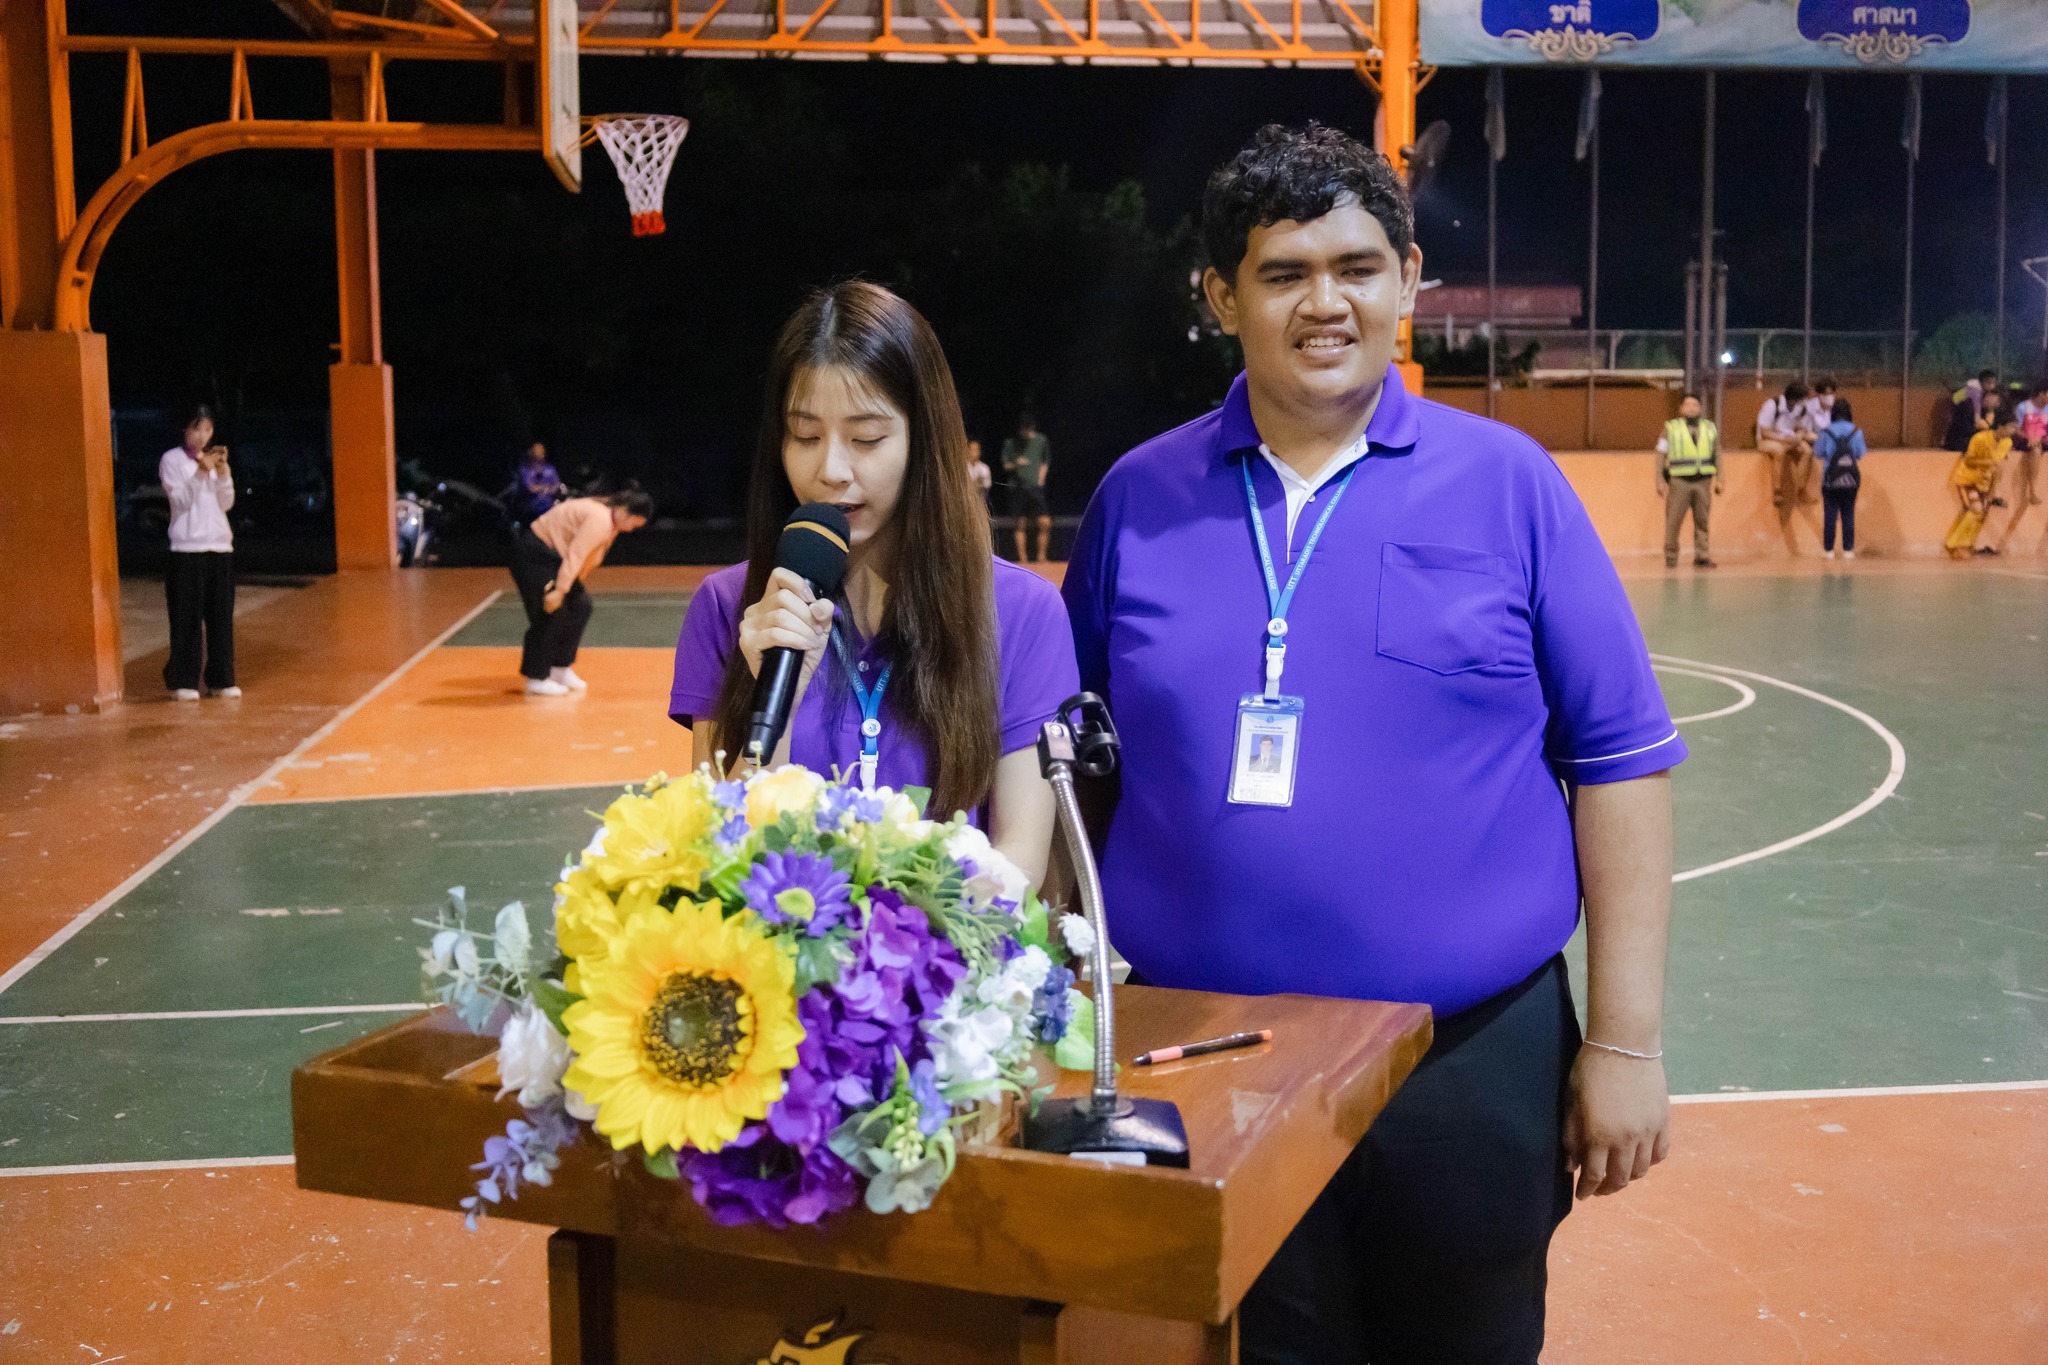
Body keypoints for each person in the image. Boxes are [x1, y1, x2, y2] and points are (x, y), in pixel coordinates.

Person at [1063, 123, 1681, 1365]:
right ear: (1218, 296)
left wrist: (1622, 1044)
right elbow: (1065, 773)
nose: (1323, 302)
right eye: (1282, 272)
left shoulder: (1507, 485)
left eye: (1354, 266)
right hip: (1202, 1056)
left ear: (1407, 278)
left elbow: (1617, 765)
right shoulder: (1138, 497)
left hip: (1465, 1060)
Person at [668, 280, 1079, 883]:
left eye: (866, 439)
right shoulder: (730, 609)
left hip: (953, 968)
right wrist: (771, 707)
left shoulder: (1021, 612)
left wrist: (895, 949)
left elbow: (1020, 862)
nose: (830, 470)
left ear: (924, 442)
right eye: (805, 436)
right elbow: (718, 868)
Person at [508, 488, 652, 695]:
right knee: (551, 611)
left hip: (553, 558)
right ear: (623, 511)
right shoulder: (600, 520)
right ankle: (536, 677)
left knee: (580, 606)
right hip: (533, 555)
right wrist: (559, 590)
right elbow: (576, 554)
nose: (630, 529)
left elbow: (586, 560)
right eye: (633, 523)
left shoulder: (610, 521)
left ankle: (559, 668)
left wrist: (568, 587)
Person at [159, 405, 240, 701]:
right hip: (186, 549)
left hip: (219, 546)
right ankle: (183, 680)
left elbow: (226, 502)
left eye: (208, 429)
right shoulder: (172, 460)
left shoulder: (211, 460)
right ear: (185, 429)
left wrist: (223, 474)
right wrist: (199, 472)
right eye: (197, 429)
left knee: (221, 618)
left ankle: (221, 678)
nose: (203, 436)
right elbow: (179, 501)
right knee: (186, 618)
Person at [1655, 393, 1721, 570]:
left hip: (1703, 482)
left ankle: (1702, 556)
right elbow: (1660, 454)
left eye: (1695, 405)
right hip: (1679, 482)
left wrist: (1720, 479)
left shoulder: (1710, 428)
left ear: (1700, 408)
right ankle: (1671, 558)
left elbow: (1717, 455)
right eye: (1688, 405)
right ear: (1681, 409)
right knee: (1673, 522)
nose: (1691, 408)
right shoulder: (1671, 428)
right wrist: (1659, 479)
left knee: (1702, 521)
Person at [1946, 402, 2016, 559]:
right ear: (2000, 426)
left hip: (1985, 482)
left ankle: (1966, 545)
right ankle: (1954, 544)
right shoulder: (1980, 438)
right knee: (1975, 509)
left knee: (1981, 514)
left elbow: (1998, 468)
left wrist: (1993, 491)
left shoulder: (2007, 443)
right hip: (1968, 478)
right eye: (2011, 427)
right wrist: (1987, 463)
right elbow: (1969, 460)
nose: (2013, 431)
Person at [1994, 379, 2046, 555]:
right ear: (2042, 393)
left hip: (2041, 440)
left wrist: (2041, 438)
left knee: (2038, 446)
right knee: (2035, 451)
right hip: (2025, 440)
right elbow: (2015, 428)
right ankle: (2031, 490)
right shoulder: (2024, 407)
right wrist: (2029, 437)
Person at [1815, 397, 1866, 560]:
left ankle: (1828, 550)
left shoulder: (1825, 432)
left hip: (1830, 479)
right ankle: (1848, 550)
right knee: (1848, 513)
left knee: (1830, 514)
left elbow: (1818, 453)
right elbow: (1860, 454)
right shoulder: (1857, 431)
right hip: (1851, 479)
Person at [1001, 414, 1053, 564]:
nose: (1027, 433)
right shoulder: (1010, 443)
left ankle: (1041, 557)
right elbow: (1006, 465)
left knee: (1044, 522)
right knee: (1020, 523)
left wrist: (1041, 480)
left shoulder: (1041, 440)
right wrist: (1017, 463)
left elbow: (1045, 461)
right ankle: (1023, 559)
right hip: (1018, 488)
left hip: (1035, 488)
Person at [1756, 380, 1814, 509]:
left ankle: (1801, 489)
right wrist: (1784, 439)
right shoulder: (1772, 405)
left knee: (1807, 451)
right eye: (1803, 399)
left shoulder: (1800, 409)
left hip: (1789, 439)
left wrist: (1798, 436)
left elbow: (1801, 427)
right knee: (1779, 451)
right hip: (1768, 440)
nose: (1805, 402)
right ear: (1794, 399)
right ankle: (1777, 491)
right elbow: (1764, 432)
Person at [504, 441, 568, 525]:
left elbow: (556, 485)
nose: (539, 457)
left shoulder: (550, 470)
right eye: (536, 454)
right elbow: (530, 488)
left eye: (541, 454)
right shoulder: (525, 470)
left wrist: (551, 489)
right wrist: (545, 488)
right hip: (529, 510)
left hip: (548, 507)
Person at [1944, 369, 1996, 452]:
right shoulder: (1976, 392)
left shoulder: (1979, 391)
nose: (1991, 386)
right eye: (1988, 383)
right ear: (1982, 382)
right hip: (1958, 408)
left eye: (1993, 383)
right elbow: (1977, 415)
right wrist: (1984, 423)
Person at [966, 437, 994, 509]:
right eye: (971, 450)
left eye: (976, 450)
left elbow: (986, 489)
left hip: (978, 504)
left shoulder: (984, 468)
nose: (973, 453)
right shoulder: (963, 468)